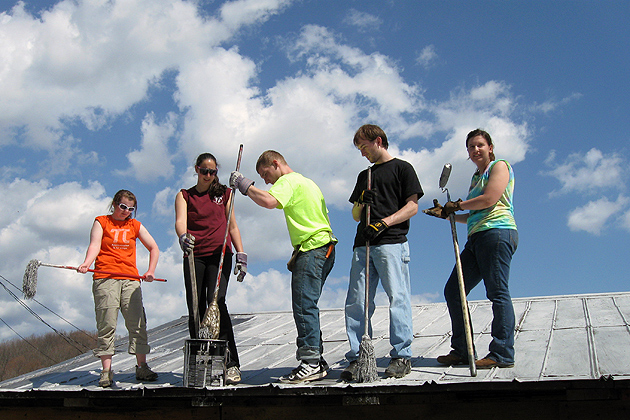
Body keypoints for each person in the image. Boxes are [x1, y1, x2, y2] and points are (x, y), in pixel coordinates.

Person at [230, 150, 336, 384]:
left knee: (303, 305)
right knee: (308, 304)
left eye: (265, 173)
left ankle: (310, 362)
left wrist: (243, 184)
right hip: (323, 248)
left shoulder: (289, 181)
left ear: (276, 164)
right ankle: (316, 358)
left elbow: (269, 201)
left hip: (312, 249)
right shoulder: (309, 183)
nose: (266, 180)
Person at [426, 128, 518, 369]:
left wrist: (456, 204)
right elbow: (474, 214)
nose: (475, 150)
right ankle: (464, 350)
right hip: (477, 236)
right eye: (471, 147)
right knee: (453, 291)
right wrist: (447, 215)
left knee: (497, 291)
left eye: (479, 145)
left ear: (490, 147)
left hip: (497, 233)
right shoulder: (476, 178)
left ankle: (502, 352)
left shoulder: (500, 167)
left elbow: (490, 199)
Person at [341, 124, 423, 381]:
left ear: (378, 141)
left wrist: (384, 222)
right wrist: (361, 202)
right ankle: (358, 356)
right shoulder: (363, 176)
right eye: (358, 149)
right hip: (362, 244)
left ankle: (401, 355)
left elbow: (412, 207)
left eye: (364, 146)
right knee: (357, 301)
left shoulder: (403, 168)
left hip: (391, 242)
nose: (362, 153)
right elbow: (356, 215)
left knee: (397, 298)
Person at [175, 153, 247, 386]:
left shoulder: (224, 193)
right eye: (204, 171)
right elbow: (180, 221)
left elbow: (232, 224)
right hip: (195, 254)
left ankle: (231, 363)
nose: (208, 175)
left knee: (216, 302)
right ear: (196, 169)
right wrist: (183, 236)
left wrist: (241, 253)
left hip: (220, 254)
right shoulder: (185, 195)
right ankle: (200, 362)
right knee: (195, 306)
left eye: (213, 172)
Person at [78, 189, 159, 388]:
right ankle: (106, 371)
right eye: (123, 207)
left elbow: (154, 247)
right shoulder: (101, 221)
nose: (126, 212)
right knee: (107, 323)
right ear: (114, 204)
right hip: (106, 278)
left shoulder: (135, 225)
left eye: (130, 209)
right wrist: (87, 263)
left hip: (131, 279)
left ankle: (142, 367)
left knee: (137, 323)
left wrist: (150, 271)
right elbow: (94, 245)